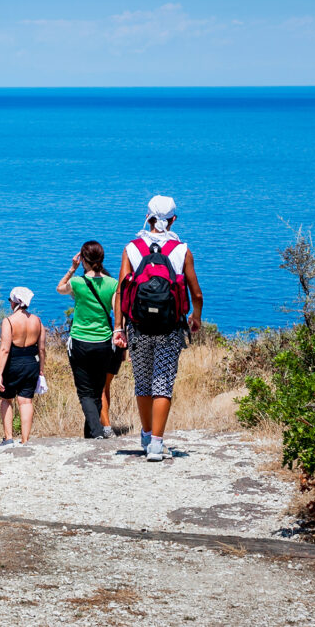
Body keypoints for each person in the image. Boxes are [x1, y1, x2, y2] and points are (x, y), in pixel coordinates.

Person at [113, 195, 204, 462]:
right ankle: (156, 444)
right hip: (170, 328)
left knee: (142, 381)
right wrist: (195, 317)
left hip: (138, 327)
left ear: (148, 217)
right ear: (174, 219)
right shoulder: (182, 250)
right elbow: (196, 294)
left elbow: (121, 292)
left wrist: (118, 328)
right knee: (162, 382)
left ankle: (145, 433)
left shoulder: (132, 248)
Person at [57, 241, 122, 439]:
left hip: (80, 342)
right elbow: (116, 309)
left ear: (84, 260)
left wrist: (72, 268)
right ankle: (92, 432)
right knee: (96, 389)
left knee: (85, 392)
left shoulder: (77, 282)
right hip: (103, 342)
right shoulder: (112, 284)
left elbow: (60, 288)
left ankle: (96, 432)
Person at [0, 287, 45, 447]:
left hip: (13, 364)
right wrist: (41, 370)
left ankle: (8, 438)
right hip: (32, 364)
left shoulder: (9, 321)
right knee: (25, 401)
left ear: (15, 302)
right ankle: (25, 440)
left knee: (6, 399)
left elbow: (5, 349)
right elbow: (42, 348)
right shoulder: (37, 320)